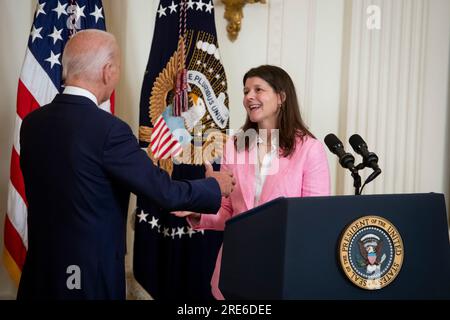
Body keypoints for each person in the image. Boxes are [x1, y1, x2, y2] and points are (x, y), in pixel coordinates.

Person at [17, 29, 235, 300]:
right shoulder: (108, 130)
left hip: (39, 273)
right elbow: (163, 191)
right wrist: (214, 186)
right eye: (117, 67)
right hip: (85, 279)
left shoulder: (32, 123)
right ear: (108, 70)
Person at [175, 65, 330, 300]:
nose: (249, 97)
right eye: (246, 91)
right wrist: (199, 213)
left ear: (281, 97)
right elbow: (229, 211)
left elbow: (313, 219)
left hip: (284, 269)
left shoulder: (310, 149)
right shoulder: (234, 145)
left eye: (259, 89)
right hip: (236, 269)